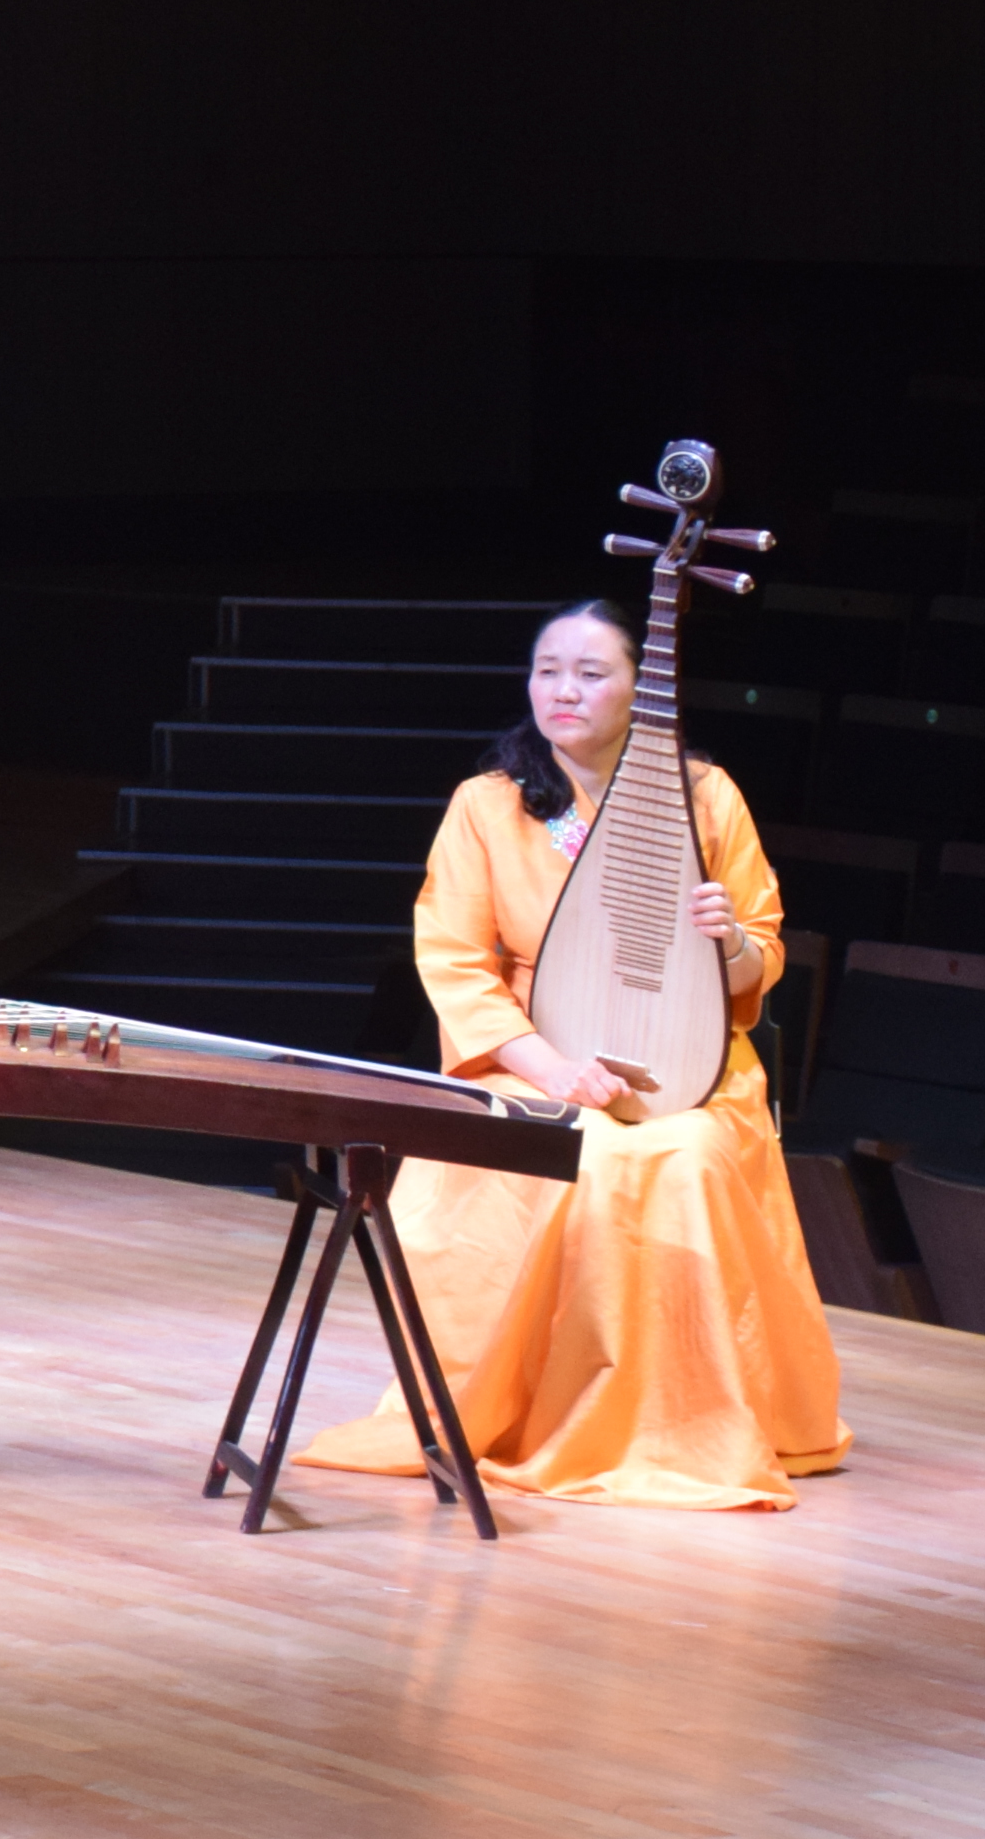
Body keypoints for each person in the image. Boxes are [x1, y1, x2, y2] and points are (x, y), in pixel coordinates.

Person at [300, 597, 846, 1507]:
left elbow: (761, 954)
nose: (564, 690)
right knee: (570, 1147)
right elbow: (455, 961)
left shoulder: (705, 796)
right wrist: (554, 1070)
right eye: (548, 670)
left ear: (643, 687)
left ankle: (682, 1423)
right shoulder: (488, 804)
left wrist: (729, 945)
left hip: (687, 1062)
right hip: (532, 1056)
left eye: (592, 674)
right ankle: (528, 1409)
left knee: (683, 1157)